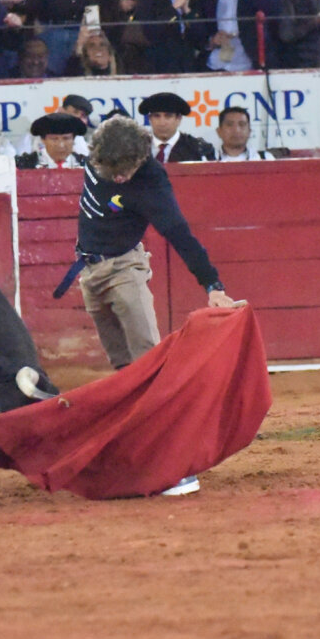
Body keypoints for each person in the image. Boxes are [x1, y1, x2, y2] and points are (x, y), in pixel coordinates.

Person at [62, 107, 234, 414]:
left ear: (141, 157)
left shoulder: (150, 180)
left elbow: (179, 234)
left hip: (124, 269)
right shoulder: (96, 158)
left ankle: (173, 419)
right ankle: (136, 422)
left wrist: (212, 284)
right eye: (112, 169)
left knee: (148, 360)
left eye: (125, 169)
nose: (118, 176)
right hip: (88, 270)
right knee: (122, 364)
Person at [139, 89, 215, 163]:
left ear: (178, 119)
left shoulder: (198, 150)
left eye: (168, 116)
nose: (162, 123)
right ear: (150, 119)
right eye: (156, 116)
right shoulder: (137, 147)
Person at [15, 112, 89, 168]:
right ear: (43, 140)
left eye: (66, 138)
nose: (61, 145)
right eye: (54, 139)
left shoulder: (87, 165)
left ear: (73, 139)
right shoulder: (25, 164)